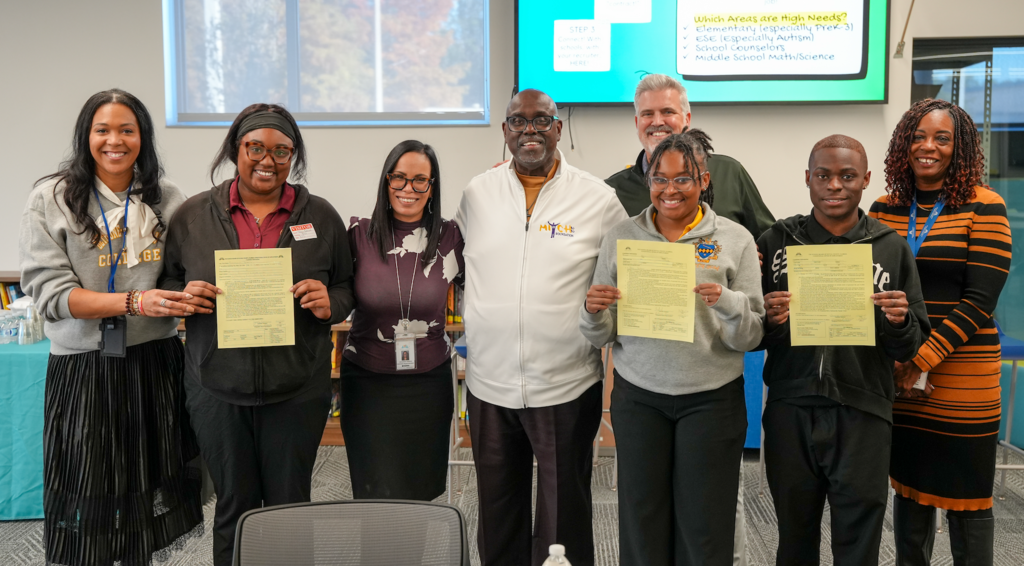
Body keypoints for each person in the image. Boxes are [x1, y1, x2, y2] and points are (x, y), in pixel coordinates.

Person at [160, 103, 354, 566]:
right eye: (255, 148)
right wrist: (184, 295)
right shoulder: (191, 216)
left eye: (282, 151)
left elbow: (347, 287)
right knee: (234, 509)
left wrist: (332, 303)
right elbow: (166, 283)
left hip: (297, 389)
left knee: (291, 508)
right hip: (217, 390)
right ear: (235, 149)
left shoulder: (321, 216)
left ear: (294, 156)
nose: (268, 160)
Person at [20, 88, 203, 565]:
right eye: (103, 129)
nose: (114, 140)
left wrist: (189, 294)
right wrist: (134, 300)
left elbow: (181, 275)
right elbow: (52, 296)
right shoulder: (51, 198)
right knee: (90, 493)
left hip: (154, 361)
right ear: (86, 136)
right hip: (84, 367)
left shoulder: (167, 198)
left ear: (142, 137)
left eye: (127, 129)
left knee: (146, 488)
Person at [455, 88, 629, 566]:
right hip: (488, 383)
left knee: (563, 516)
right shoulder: (478, 194)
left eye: (540, 120)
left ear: (558, 128)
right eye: (517, 121)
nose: (528, 130)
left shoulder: (598, 199)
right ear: (505, 130)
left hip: (566, 385)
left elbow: (622, 279)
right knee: (496, 509)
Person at [580, 131, 765, 566]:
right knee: (642, 520)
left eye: (682, 179)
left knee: (705, 526)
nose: (670, 189)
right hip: (640, 398)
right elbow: (602, 334)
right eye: (660, 179)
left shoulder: (734, 239)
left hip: (711, 400)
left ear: (702, 179)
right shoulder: (621, 236)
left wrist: (727, 302)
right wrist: (592, 311)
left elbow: (753, 335)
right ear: (649, 183)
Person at [756, 135, 929, 565]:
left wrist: (899, 321)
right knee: (794, 539)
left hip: (864, 412)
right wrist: (769, 320)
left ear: (866, 180)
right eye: (824, 175)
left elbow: (912, 340)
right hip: (790, 408)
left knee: (858, 542)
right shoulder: (775, 241)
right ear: (808, 180)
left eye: (847, 176)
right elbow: (749, 332)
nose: (835, 185)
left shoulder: (890, 247)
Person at [869, 99, 1011, 566]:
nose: (928, 147)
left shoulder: (985, 206)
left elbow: (980, 302)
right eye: (918, 137)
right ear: (903, 145)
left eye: (942, 138)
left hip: (961, 375)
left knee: (967, 494)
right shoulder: (884, 208)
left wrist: (920, 360)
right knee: (910, 489)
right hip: (899, 373)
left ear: (960, 146)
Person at [342, 140, 464, 501]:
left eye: (419, 180)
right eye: (399, 178)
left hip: (429, 382)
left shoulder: (450, 236)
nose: (408, 189)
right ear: (386, 181)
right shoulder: (358, 235)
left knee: (421, 492)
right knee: (372, 490)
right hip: (367, 382)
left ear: (432, 186)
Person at [605, 73, 774, 240]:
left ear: (687, 119)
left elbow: (768, 240)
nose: (657, 122)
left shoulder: (729, 172)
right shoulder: (611, 192)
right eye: (647, 114)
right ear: (637, 122)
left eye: (667, 112)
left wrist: (754, 255)